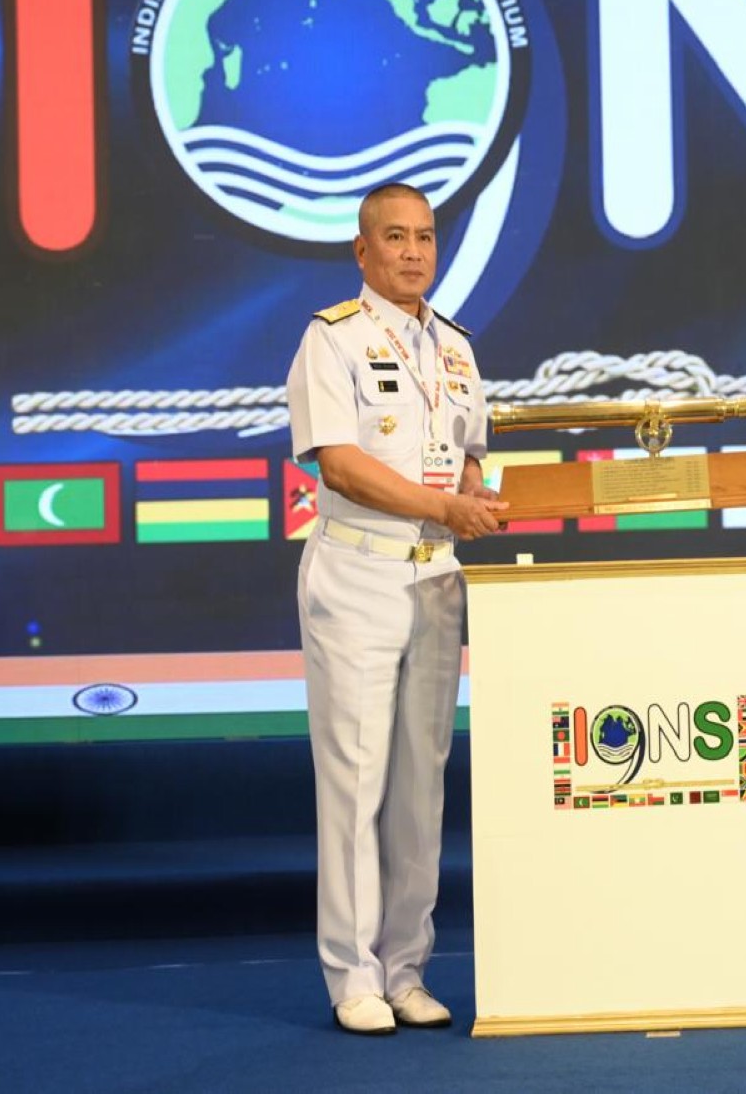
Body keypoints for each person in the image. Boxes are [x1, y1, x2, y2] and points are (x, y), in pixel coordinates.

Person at [285, 182, 507, 1035]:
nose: (413, 252)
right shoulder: (332, 337)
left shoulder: (455, 346)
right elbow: (338, 464)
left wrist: (472, 497)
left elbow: (470, 454)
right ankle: (352, 975)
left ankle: (406, 968)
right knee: (355, 782)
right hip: (357, 572)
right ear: (363, 248)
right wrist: (443, 504)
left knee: (422, 786)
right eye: (395, 237)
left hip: (437, 577)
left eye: (425, 237)